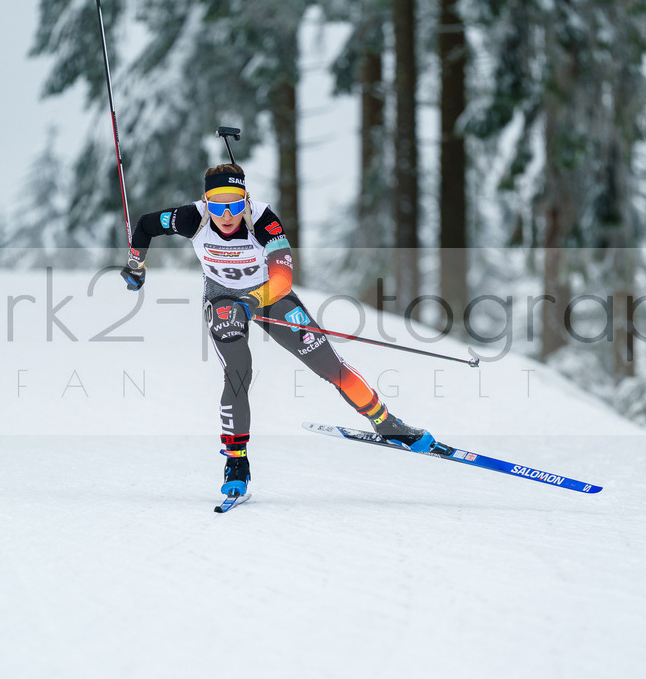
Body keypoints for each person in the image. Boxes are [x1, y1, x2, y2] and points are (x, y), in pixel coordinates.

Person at [120, 163, 437, 497]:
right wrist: (136, 265)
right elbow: (145, 225)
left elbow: (283, 280)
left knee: (331, 366)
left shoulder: (265, 221)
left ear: (247, 199)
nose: (226, 214)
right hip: (222, 297)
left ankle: (386, 424)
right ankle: (236, 460)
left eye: (235, 203)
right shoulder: (190, 218)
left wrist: (253, 301)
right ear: (205, 202)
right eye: (216, 205)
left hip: (270, 296)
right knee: (239, 373)